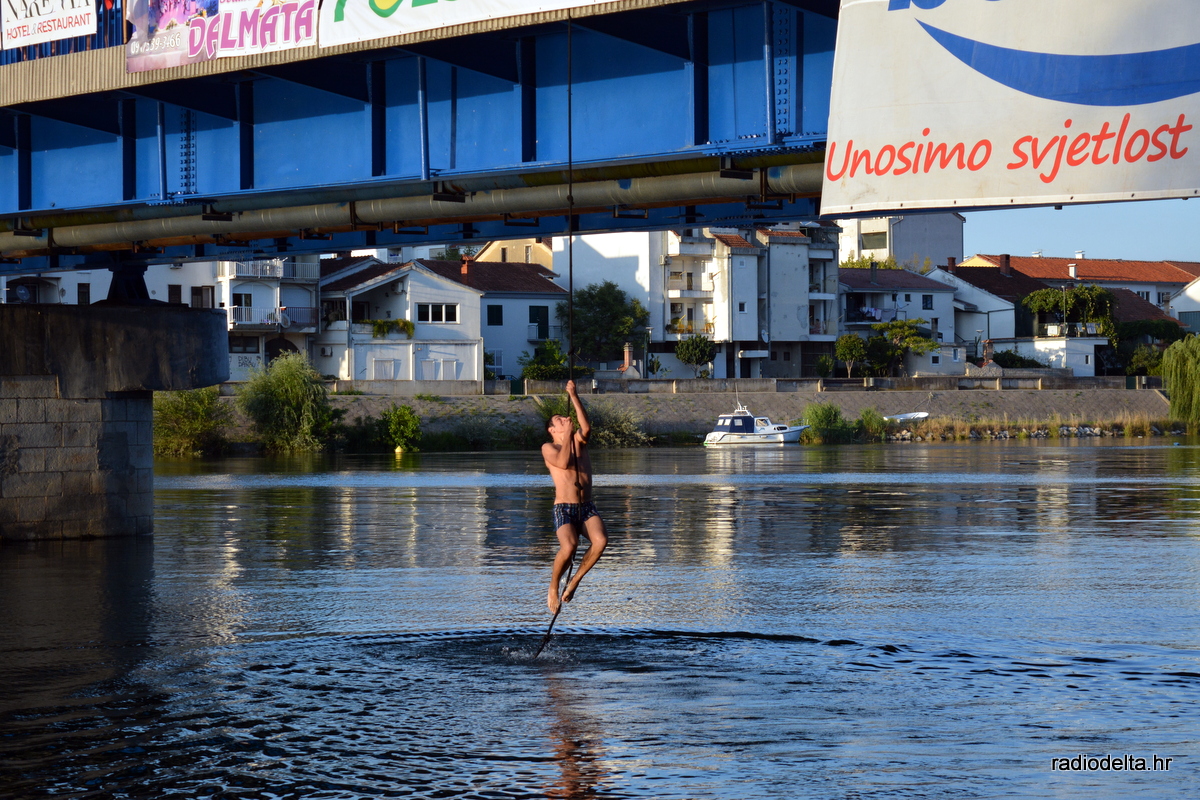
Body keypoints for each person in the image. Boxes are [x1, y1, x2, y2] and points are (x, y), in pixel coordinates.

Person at [542, 380, 608, 614]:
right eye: (559, 420)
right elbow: (563, 462)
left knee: (601, 541)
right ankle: (553, 587)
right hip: (564, 508)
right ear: (552, 430)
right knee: (569, 546)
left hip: (586, 506)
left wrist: (574, 395)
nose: (564, 419)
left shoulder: (579, 440)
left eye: (564, 417)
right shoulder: (548, 447)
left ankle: (574, 581)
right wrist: (568, 433)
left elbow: (586, 428)